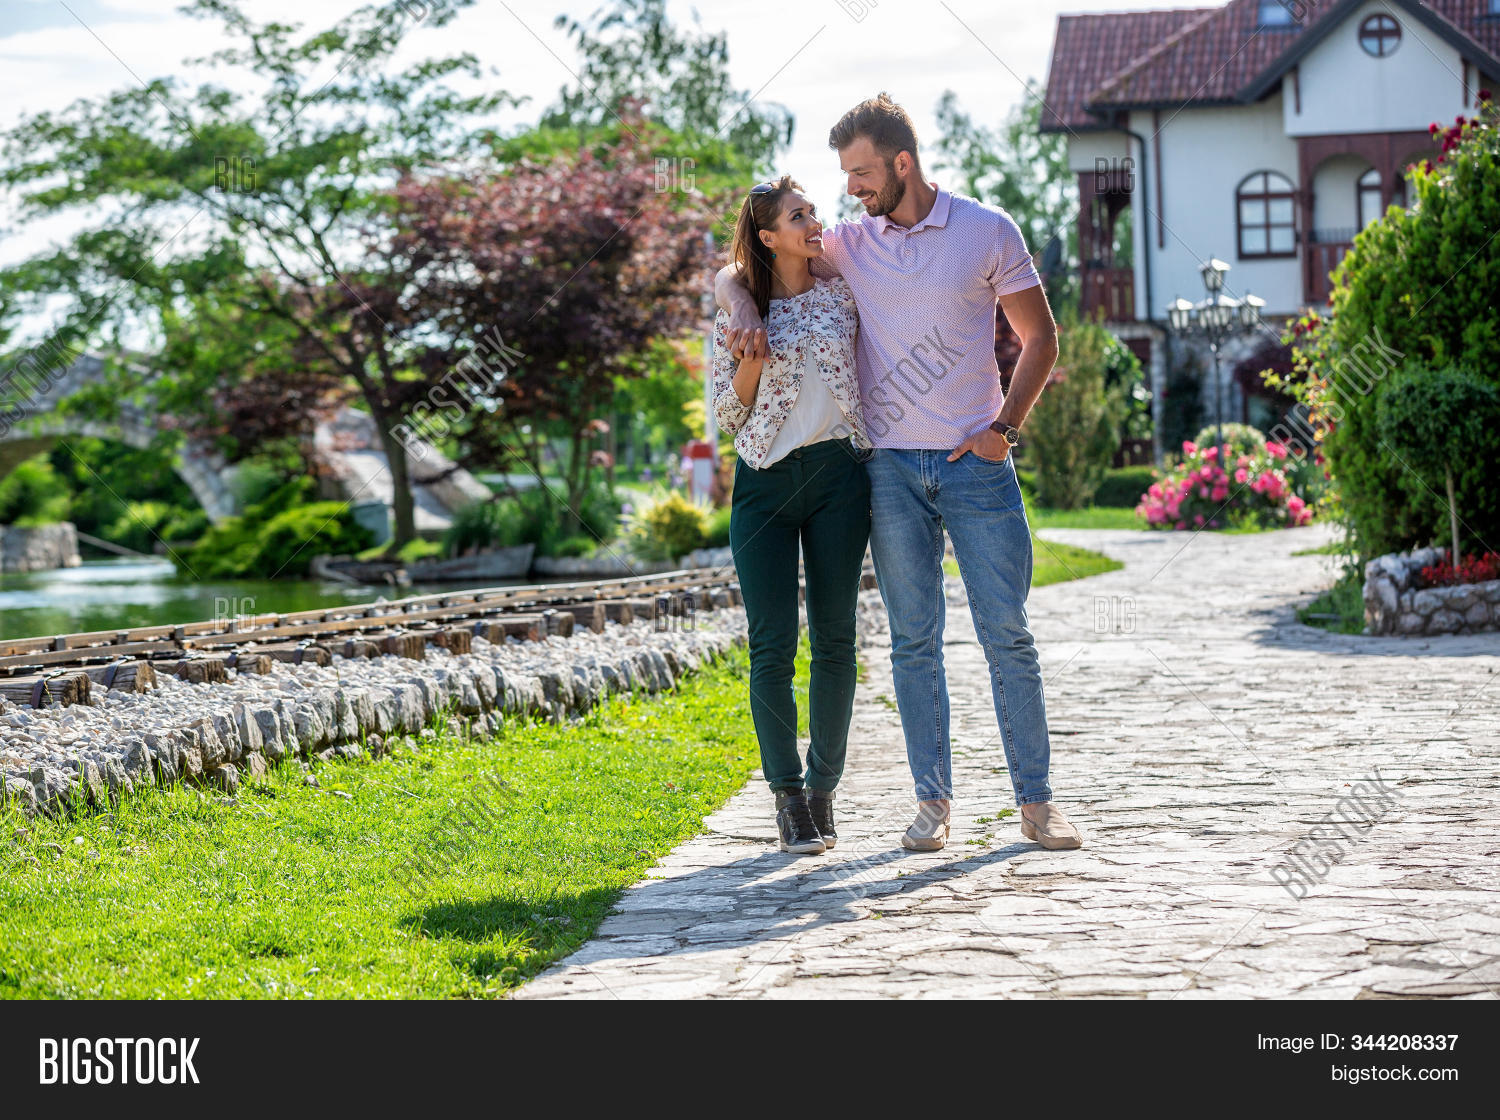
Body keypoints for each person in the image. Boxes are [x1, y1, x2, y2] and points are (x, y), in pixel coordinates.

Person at [716, 94, 1083, 852]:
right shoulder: (848, 244)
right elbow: (749, 260)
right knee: (913, 642)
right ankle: (932, 803)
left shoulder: (986, 230)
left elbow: (1041, 336)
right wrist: (731, 299)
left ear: (902, 164)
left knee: (1006, 633)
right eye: (843, 177)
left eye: (860, 173)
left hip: (975, 466)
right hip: (886, 470)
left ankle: (1037, 805)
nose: (850, 191)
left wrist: (1003, 431)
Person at [712, 175, 872, 856]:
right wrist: (747, 354)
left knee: (837, 639)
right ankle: (785, 797)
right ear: (768, 234)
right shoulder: (737, 315)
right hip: (764, 484)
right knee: (772, 645)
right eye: (797, 215)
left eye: (813, 210)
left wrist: (731, 280)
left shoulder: (842, 288)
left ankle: (821, 790)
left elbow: (730, 268)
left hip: (840, 474)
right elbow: (728, 414)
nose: (814, 221)